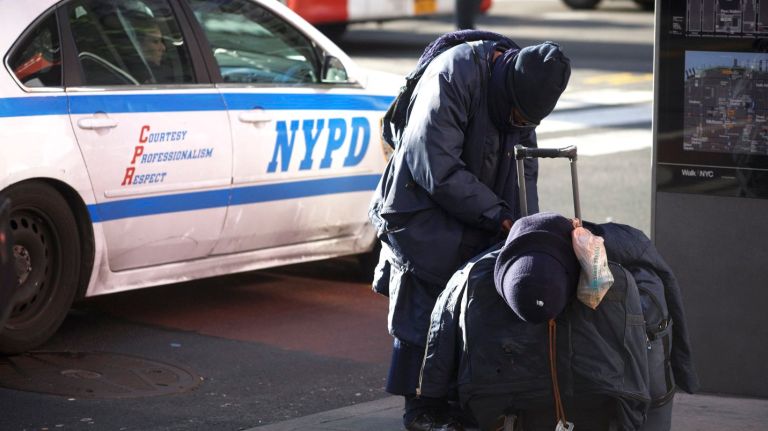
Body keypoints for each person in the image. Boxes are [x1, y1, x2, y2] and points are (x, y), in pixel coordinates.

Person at [368, 35, 571, 431]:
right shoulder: (452, 75)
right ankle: (421, 408)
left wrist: (524, 224)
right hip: (420, 206)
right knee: (425, 303)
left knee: (473, 304)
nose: (520, 125)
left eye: (527, 123)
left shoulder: (521, 96)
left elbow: (523, 167)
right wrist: (498, 215)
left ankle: (459, 402)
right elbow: (434, 163)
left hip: (477, 208)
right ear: (506, 86)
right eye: (516, 118)